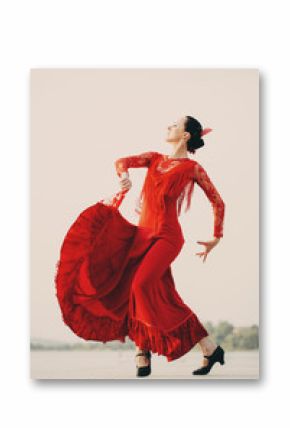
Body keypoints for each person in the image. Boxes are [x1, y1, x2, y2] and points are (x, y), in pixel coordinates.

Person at [54, 115, 226, 378]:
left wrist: (216, 236)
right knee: (158, 293)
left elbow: (218, 202)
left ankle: (143, 351)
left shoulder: (192, 169)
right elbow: (121, 161)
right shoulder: (154, 158)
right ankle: (208, 347)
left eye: (174, 125)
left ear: (186, 135)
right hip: (142, 235)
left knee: (139, 285)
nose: (168, 126)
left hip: (167, 238)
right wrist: (124, 177)